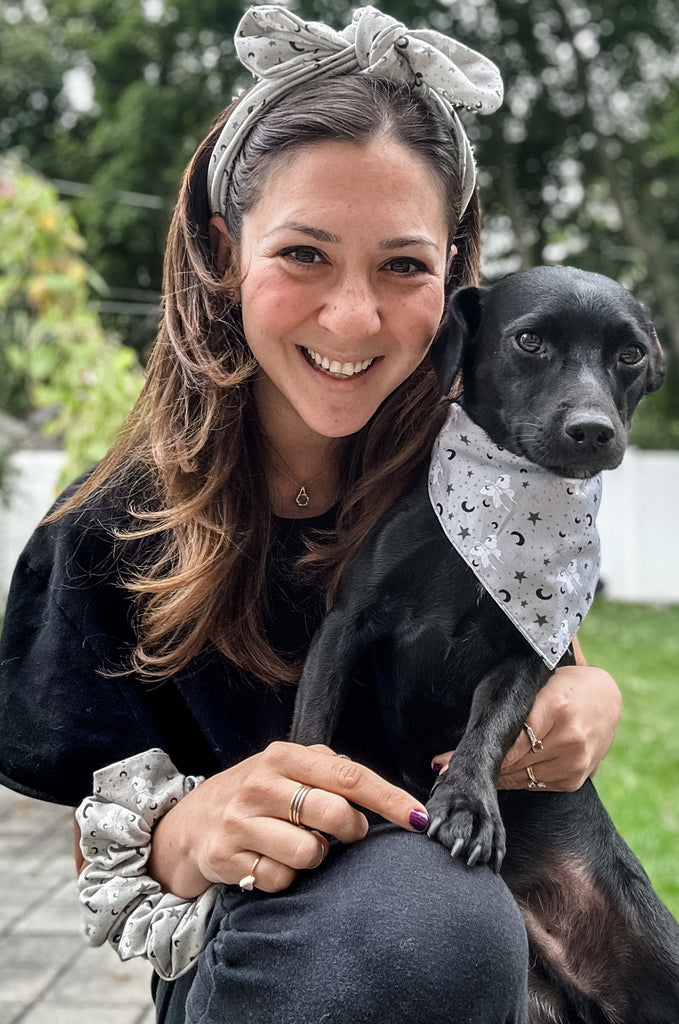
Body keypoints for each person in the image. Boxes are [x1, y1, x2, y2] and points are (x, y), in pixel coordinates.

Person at [0, 6, 622, 1023]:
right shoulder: (105, 537)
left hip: (484, 933)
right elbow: (96, 847)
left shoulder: (480, 479)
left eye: (403, 265)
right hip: (278, 956)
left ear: (455, 278)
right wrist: (193, 826)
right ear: (222, 251)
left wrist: (588, 703)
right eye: (303, 254)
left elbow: (548, 651)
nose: (352, 316)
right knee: (428, 928)